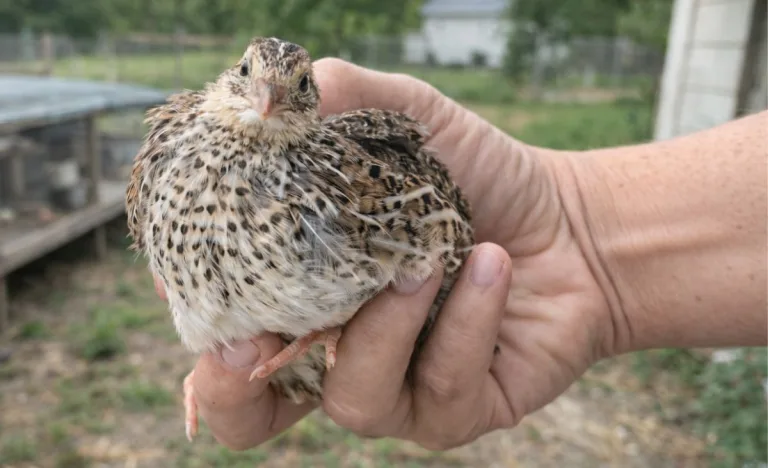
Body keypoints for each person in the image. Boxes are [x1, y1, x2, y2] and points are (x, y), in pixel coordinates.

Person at [153, 58, 767, 451]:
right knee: (252, 361)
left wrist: (580, 246)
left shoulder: (352, 180)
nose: (268, 100)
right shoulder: (169, 156)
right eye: (251, 79)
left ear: (313, 96)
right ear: (229, 79)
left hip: (388, 280)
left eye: (296, 88)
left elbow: (427, 237)